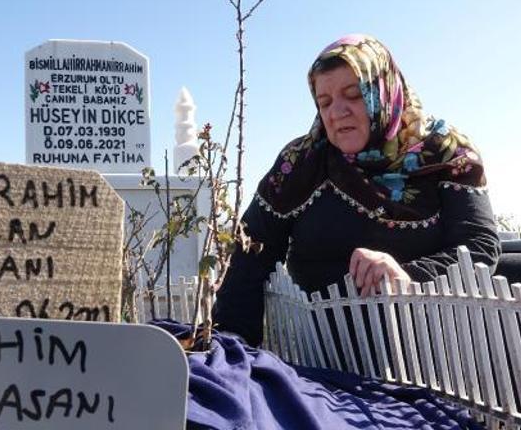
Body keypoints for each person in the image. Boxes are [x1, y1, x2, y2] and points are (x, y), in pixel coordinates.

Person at [213, 34, 501, 347]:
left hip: (431, 346)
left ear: (384, 92)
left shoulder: (446, 154)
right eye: (324, 102)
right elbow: (250, 254)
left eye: (354, 95)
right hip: (322, 356)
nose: (337, 112)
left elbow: (479, 244)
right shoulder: (301, 163)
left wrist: (408, 276)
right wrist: (231, 349)